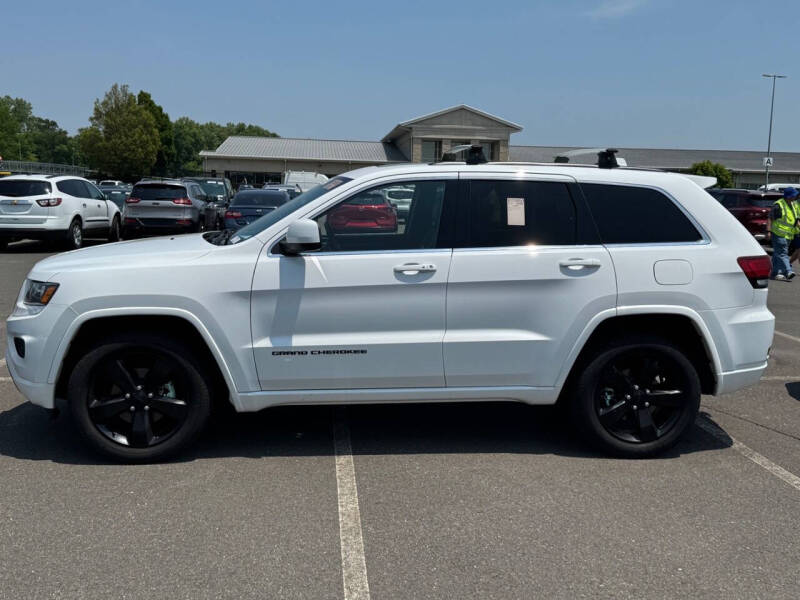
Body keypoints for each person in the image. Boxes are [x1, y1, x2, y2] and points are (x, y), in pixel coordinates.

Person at [771, 187, 800, 281]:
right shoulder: (779, 205)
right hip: (778, 233)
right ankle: (788, 271)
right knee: (783, 253)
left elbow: (796, 220)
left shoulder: (793, 205)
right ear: (789, 196)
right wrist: (768, 231)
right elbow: (770, 218)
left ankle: (775, 273)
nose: (796, 196)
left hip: (788, 234)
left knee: (778, 253)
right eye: (794, 195)